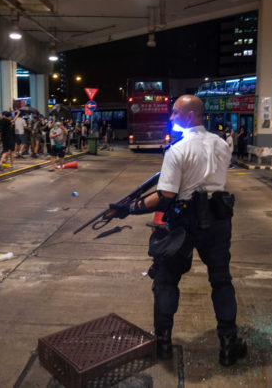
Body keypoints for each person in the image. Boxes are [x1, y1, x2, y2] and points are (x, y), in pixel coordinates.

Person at [104, 95, 247, 367]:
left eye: (175, 113)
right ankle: (229, 345)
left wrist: (130, 208)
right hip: (218, 218)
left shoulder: (177, 150)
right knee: (221, 280)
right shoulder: (221, 144)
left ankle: (163, 343)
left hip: (183, 220)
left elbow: (166, 195)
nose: (170, 118)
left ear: (190, 116)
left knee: (167, 280)